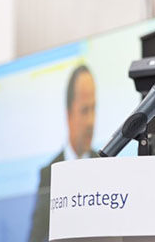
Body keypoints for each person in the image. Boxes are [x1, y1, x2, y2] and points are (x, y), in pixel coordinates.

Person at [29, 65, 97, 242]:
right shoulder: (48, 173)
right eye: (84, 110)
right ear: (69, 115)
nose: (91, 121)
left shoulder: (105, 164)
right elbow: (36, 236)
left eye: (94, 108)